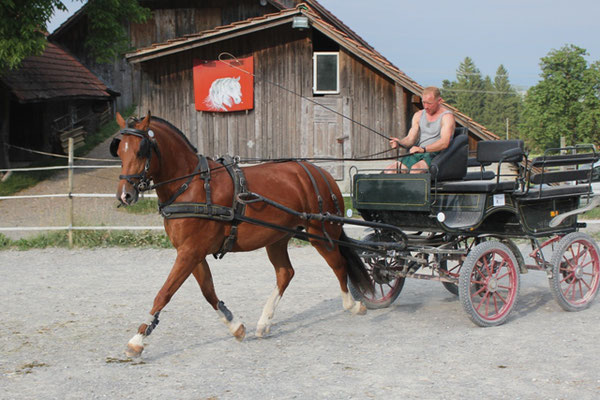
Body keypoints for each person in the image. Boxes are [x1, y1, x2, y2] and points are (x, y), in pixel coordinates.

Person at [385, 86, 456, 174]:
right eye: (424, 102)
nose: (426, 106)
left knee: (415, 170)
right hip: (418, 152)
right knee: (390, 170)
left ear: (439, 101)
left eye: (429, 103)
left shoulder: (447, 117)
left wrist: (423, 149)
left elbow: (444, 143)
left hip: (436, 154)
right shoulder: (418, 115)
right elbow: (410, 139)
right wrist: (399, 142)